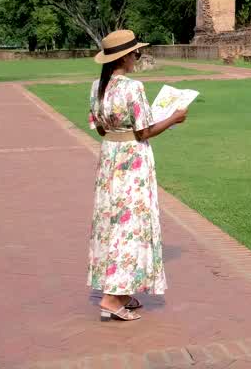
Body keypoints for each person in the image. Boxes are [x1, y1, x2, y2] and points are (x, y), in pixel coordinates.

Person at [87, 29, 187, 322]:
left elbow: (102, 128)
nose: (137, 58)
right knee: (131, 224)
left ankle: (120, 290)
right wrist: (173, 118)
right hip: (132, 159)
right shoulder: (133, 88)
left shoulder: (97, 87)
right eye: (135, 53)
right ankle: (111, 297)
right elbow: (144, 131)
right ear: (126, 56)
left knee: (111, 222)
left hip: (109, 158)